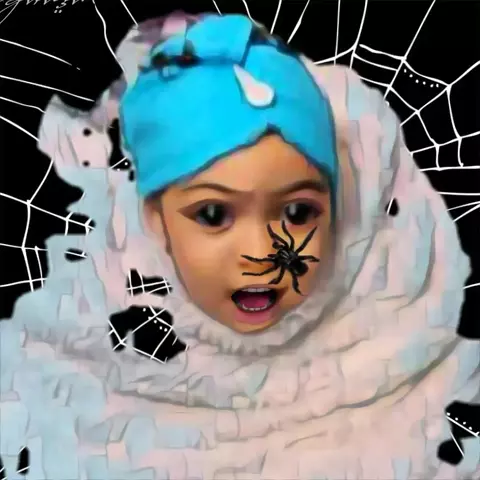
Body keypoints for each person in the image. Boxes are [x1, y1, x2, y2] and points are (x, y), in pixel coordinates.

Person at [2, 11, 479, 480]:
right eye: (214, 215)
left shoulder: (405, 354)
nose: (262, 254)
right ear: (155, 221)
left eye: (298, 212)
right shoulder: (79, 394)